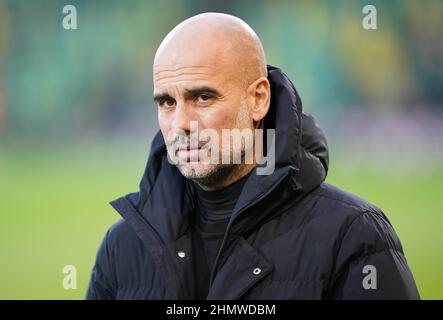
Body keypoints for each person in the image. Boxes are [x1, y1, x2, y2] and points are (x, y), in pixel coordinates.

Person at [86, 12, 420, 299]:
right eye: (167, 103)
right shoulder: (122, 247)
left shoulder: (353, 236)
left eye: (202, 97)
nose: (180, 124)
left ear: (259, 99)